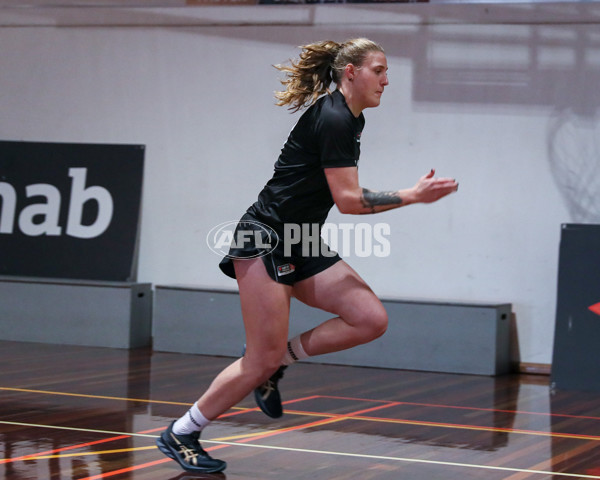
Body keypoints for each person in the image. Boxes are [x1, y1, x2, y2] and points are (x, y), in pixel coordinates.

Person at [156, 37, 458, 473]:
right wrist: (412, 195)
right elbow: (350, 201)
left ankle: (283, 359)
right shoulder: (335, 117)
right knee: (257, 359)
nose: (387, 80)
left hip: (301, 237)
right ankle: (182, 431)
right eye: (379, 70)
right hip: (266, 238)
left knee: (369, 318)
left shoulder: (351, 119)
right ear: (350, 72)